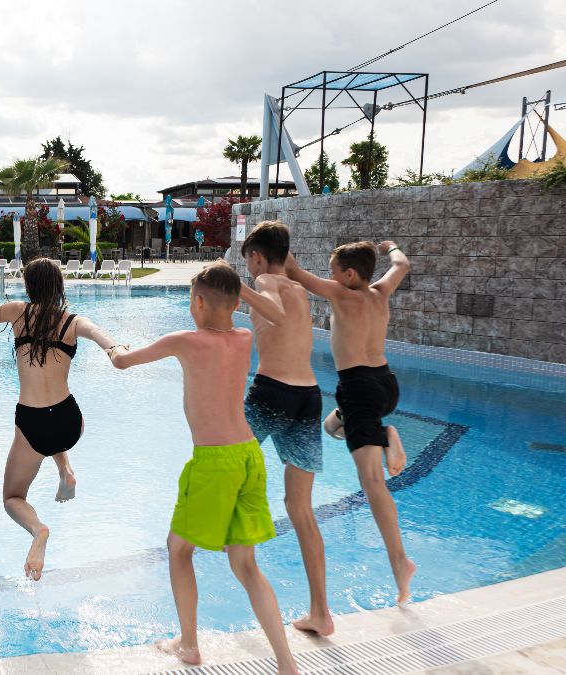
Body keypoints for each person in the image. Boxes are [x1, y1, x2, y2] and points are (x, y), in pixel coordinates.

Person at [108, 262, 298, 674]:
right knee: (246, 564)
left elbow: (124, 363)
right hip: (249, 456)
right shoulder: (245, 336)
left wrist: (113, 348)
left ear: (197, 301)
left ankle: (190, 644)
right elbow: (269, 315)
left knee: (179, 550)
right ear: (234, 302)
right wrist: (237, 289)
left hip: (215, 462)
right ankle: (286, 663)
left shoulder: (186, 341)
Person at [285, 240, 415, 604]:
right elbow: (401, 264)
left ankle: (400, 562)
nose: (330, 277)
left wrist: (282, 237)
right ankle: (386, 433)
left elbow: (294, 271)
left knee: (372, 482)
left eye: (334, 271)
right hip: (385, 384)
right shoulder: (380, 291)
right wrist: (391, 247)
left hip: (359, 389)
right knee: (331, 427)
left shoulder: (342, 295)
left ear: (350, 274)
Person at [0, 256, 118, 581]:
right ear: (59, 286)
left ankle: (38, 531)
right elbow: (99, 334)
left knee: (13, 498)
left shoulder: (16, 312)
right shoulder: (72, 321)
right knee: (54, 430)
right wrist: (115, 351)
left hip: (34, 423)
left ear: (29, 286)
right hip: (70, 421)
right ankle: (65, 471)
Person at [239, 221, 333, 636]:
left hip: (271, 393)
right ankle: (321, 614)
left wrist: (236, 286)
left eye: (248, 263)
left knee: (220, 459)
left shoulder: (264, 281)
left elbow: (272, 310)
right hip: (309, 397)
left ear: (257, 258)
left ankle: (234, 538)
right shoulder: (298, 283)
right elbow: (286, 262)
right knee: (301, 511)